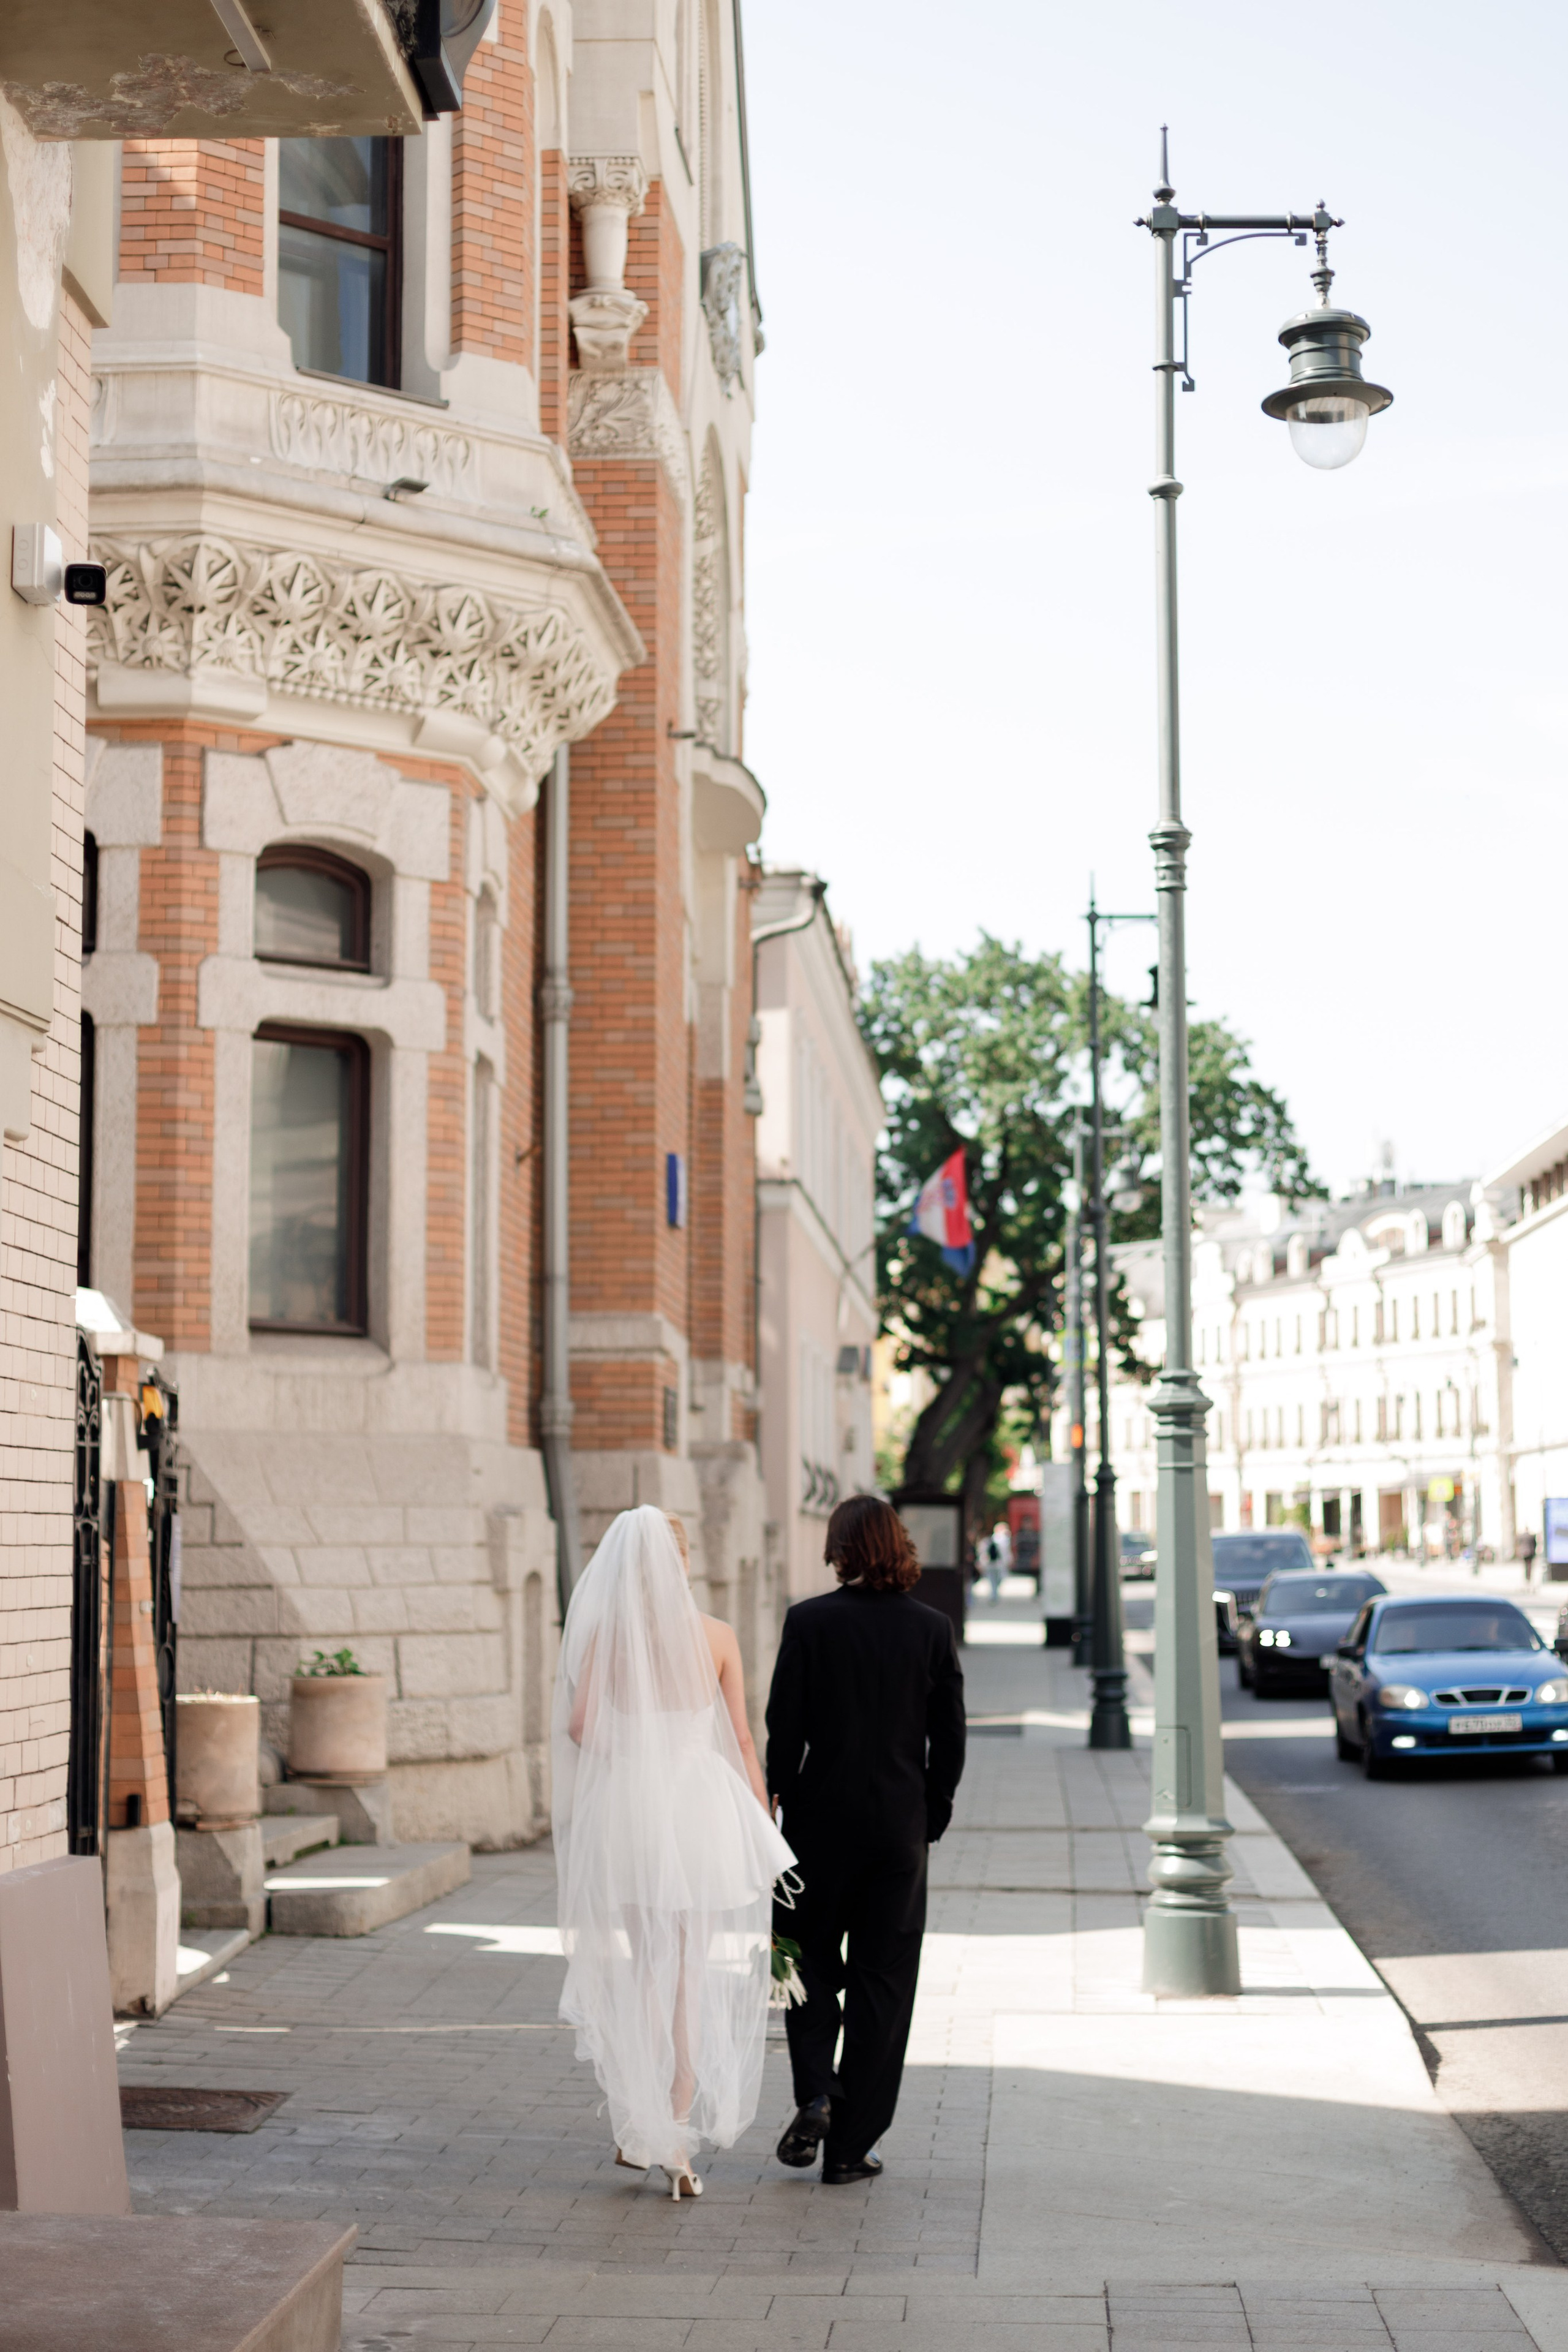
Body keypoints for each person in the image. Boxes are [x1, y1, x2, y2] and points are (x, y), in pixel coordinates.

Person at [552, 1504, 794, 2201]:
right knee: (689, 1968)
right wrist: (760, 1818)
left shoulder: (606, 1638)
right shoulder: (715, 1636)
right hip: (699, 1810)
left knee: (644, 1966)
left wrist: (636, 1762)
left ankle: (640, 2125)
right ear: (682, 1563)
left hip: (632, 1810)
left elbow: (579, 1727)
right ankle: (678, 2133)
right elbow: (744, 1740)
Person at [765, 1494, 966, 2186]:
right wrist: (930, 1812)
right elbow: (950, 1736)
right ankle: (851, 2147)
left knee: (796, 1960)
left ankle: (816, 2091)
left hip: (817, 1827)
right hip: (896, 1830)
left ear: (838, 1547)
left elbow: (783, 1727)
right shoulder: (932, 1629)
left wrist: (778, 1796)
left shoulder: (808, 1622)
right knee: (885, 1981)